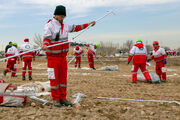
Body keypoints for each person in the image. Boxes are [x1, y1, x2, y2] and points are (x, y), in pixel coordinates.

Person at [41, 5, 96, 107]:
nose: (62, 18)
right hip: (53, 58)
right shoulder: (49, 25)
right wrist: (45, 45)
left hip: (63, 58)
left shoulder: (66, 25)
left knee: (63, 79)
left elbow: (77, 28)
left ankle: (63, 98)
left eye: (63, 16)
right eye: (61, 16)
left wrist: (88, 24)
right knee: (54, 79)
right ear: (56, 15)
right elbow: (47, 39)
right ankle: (56, 99)